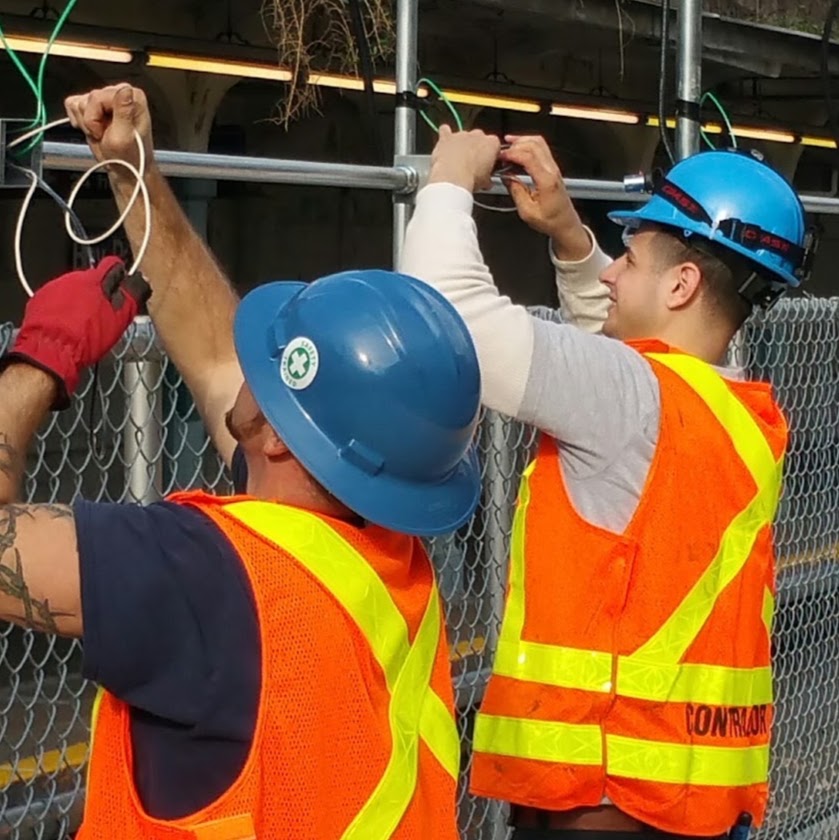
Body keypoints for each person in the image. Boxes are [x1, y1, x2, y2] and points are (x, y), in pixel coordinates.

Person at [0, 129, 485, 838]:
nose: (251, 360)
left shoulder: (204, 575)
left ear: (285, 436)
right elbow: (219, 356)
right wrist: (134, 169)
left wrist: (38, 360)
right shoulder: (380, 558)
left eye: (277, 363)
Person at [398, 125, 815, 839]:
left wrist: (444, 183)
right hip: (680, 801)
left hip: (598, 798)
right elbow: (626, 355)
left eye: (628, 256)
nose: (611, 274)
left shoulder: (633, 397)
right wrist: (566, 234)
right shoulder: (735, 413)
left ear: (682, 284)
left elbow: (449, 319)